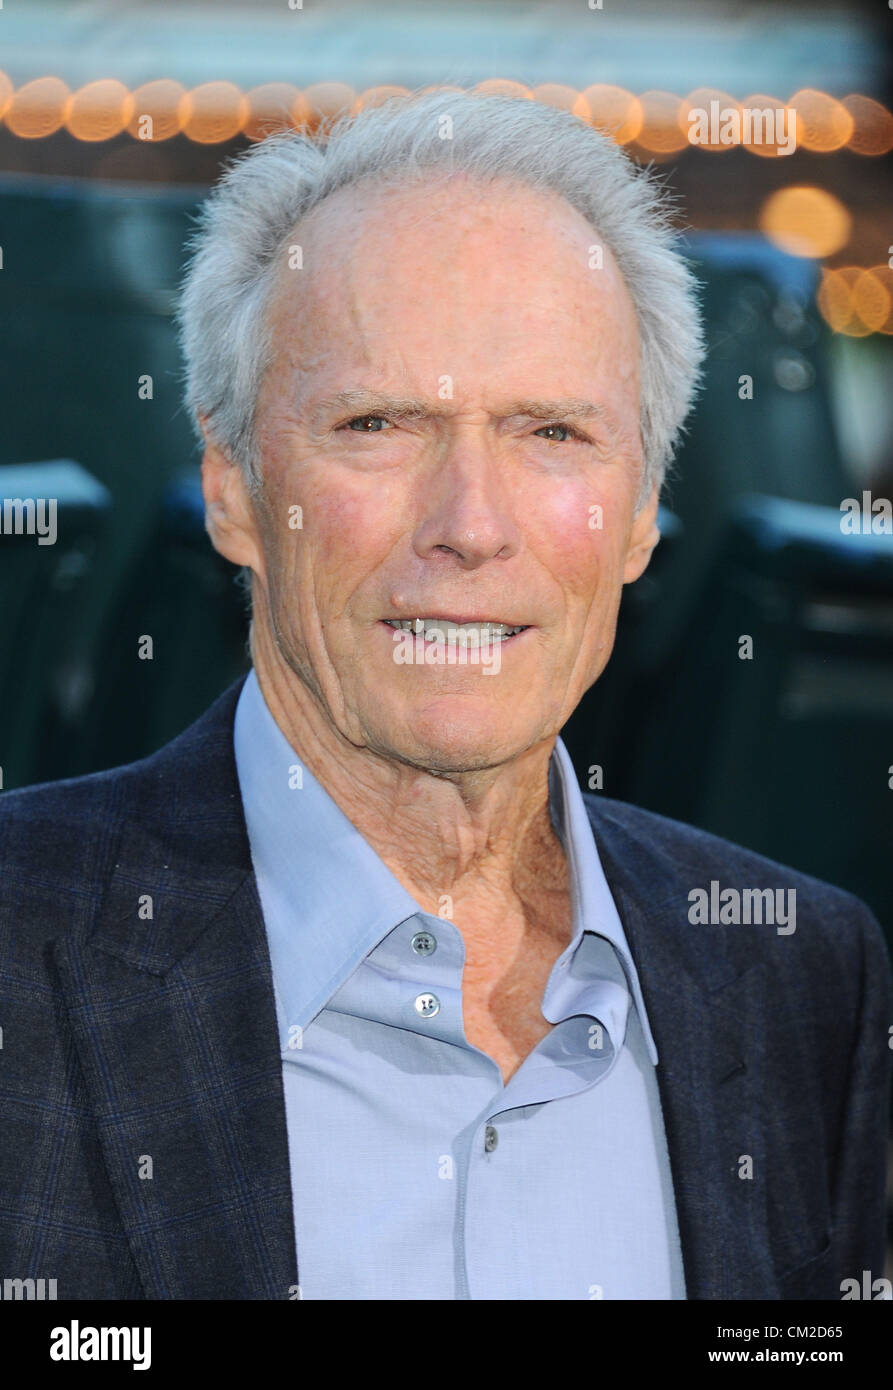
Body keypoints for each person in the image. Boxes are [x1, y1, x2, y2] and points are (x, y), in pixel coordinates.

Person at [1, 90, 889, 1301]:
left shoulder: (801, 978)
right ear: (233, 489)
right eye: (378, 422)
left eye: (553, 433)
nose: (469, 526)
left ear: (638, 512)